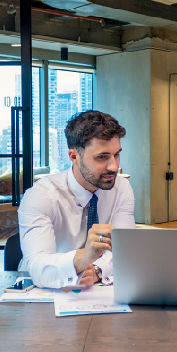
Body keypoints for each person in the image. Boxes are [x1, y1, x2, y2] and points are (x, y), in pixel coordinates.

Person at [17, 110, 135, 288]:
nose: (114, 166)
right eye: (102, 157)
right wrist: (82, 259)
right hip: (44, 292)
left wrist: (97, 269)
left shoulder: (121, 189)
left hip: (97, 289)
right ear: (74, 157)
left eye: (116, 154)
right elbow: (37, 264)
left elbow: (125, 249)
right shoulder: (41, 196)